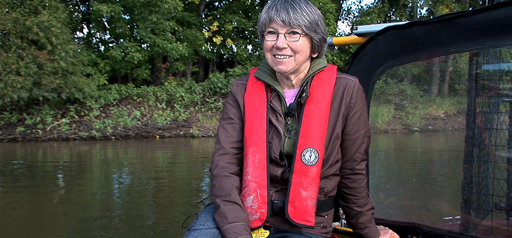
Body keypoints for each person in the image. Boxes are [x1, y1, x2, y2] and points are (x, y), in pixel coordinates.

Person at [184, 0, 399, 237]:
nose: (279, 43)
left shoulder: (346, 91)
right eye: (272, 33)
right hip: (239, 211)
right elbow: (224, 169)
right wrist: (237, 230)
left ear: (314, 46)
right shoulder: (242, 89)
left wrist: (370, 232)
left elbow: (353, 172)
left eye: (293, 33)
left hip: (307, 222)